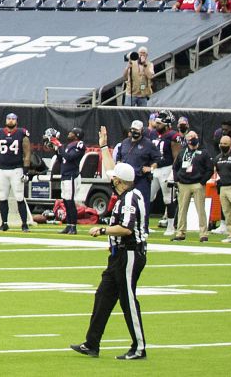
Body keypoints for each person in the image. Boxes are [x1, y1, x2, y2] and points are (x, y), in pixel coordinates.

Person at [71, 161, 148, 360]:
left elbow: (127, 228)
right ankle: (92, 343)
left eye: (114, 177)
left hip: (129, 253)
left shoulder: (130, 198)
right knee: (103, 296)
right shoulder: (127, 195)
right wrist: (104, 145)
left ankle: (139, 347)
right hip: (118, 255)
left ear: (121, 181)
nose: (111, 180)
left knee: (128, 300)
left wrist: (103, 230)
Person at [0, 111, 33, 230]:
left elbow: (27, 154)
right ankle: (4, 223)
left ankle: (24, 224)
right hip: (2, 169)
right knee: (2, 197)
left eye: (13, 119)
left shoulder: (22, 133)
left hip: (16, 169)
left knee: (19, 197)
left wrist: (26, 171)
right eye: (8, 118)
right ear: (6, 120)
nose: (10, 120)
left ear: (16, 121)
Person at [170, 127, 213, 241]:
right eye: (190, 137)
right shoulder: (183, 152)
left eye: (194, 137)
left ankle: (203, 233)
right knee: (182, 209)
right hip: (183, 184)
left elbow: (210, 169)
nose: (192, 139)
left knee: (201, 210)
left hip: (197, 183)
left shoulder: (204, 152)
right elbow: (175, 167)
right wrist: (177, 180)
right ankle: (180, 233)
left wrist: (202, 181)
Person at [55, 129, 87, 233]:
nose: (69, 133)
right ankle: (69, 225)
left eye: (72, 132)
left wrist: (59, 146)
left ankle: (73, 226)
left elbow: (70, 157)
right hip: (65, 175)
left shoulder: (79, 144)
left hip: (72, 176)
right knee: (65, 201)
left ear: (77, 135)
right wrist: (56, 149)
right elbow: (61, 159)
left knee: (70, 201)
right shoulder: (69, 145)